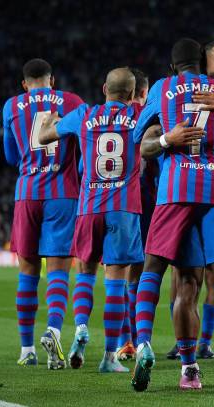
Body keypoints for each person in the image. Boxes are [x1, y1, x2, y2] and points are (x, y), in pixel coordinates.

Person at [132, 38, 214, 392]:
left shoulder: (162, 87)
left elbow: (142, 139)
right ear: (204, 63)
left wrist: (167, 138)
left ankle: (144, 344)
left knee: (156, 269)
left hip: (174, 188)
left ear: (173, 67)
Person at [38, 67, 143, 372]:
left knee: (85, 272)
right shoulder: (138, 115)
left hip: (88, 207)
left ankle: (81, 327)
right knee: (116, 283)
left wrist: (50, 121)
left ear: (103, 88)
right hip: (123, 210)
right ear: (134, 94)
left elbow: (45, 137)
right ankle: (109, 358)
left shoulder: (84, 114)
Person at [2, 58, 83, 368]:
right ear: (53, 80)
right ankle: (52, 331)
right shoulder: (72, 101)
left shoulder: (11, 106)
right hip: (63, 193)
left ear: (25, 84)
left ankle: (26, 350)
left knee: (28, 272)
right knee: (59, 270)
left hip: (27, 193)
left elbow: (11, 156)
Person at [116, 67, 150, 361]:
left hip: (117, 201)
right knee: (142, 274)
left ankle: (126, 340)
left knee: (121, 274)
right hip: (149, 199)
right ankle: (141, 340)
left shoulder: (101, 116)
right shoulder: (147, 112)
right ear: (142, 92)